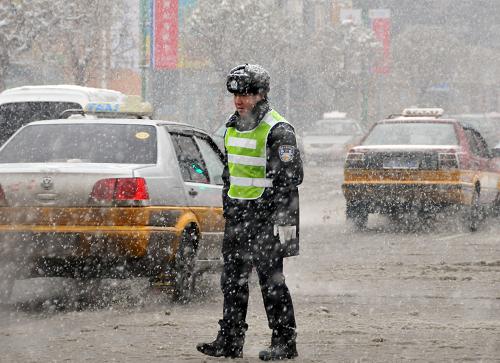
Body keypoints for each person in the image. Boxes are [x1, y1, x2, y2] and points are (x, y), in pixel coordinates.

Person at [196, 64, 303, 361]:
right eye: (235, 94)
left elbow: (291, 177)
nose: (239, 100)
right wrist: (231, 207)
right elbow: (231, 173)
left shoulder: (277, 129)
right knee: (232, 281)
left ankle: (285, 342)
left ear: (261, 94)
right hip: (239, 218)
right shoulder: (232, 126)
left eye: (245, 94)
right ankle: (230, 341)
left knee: (271, 282)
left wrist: (275, 218)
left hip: (267, 220)